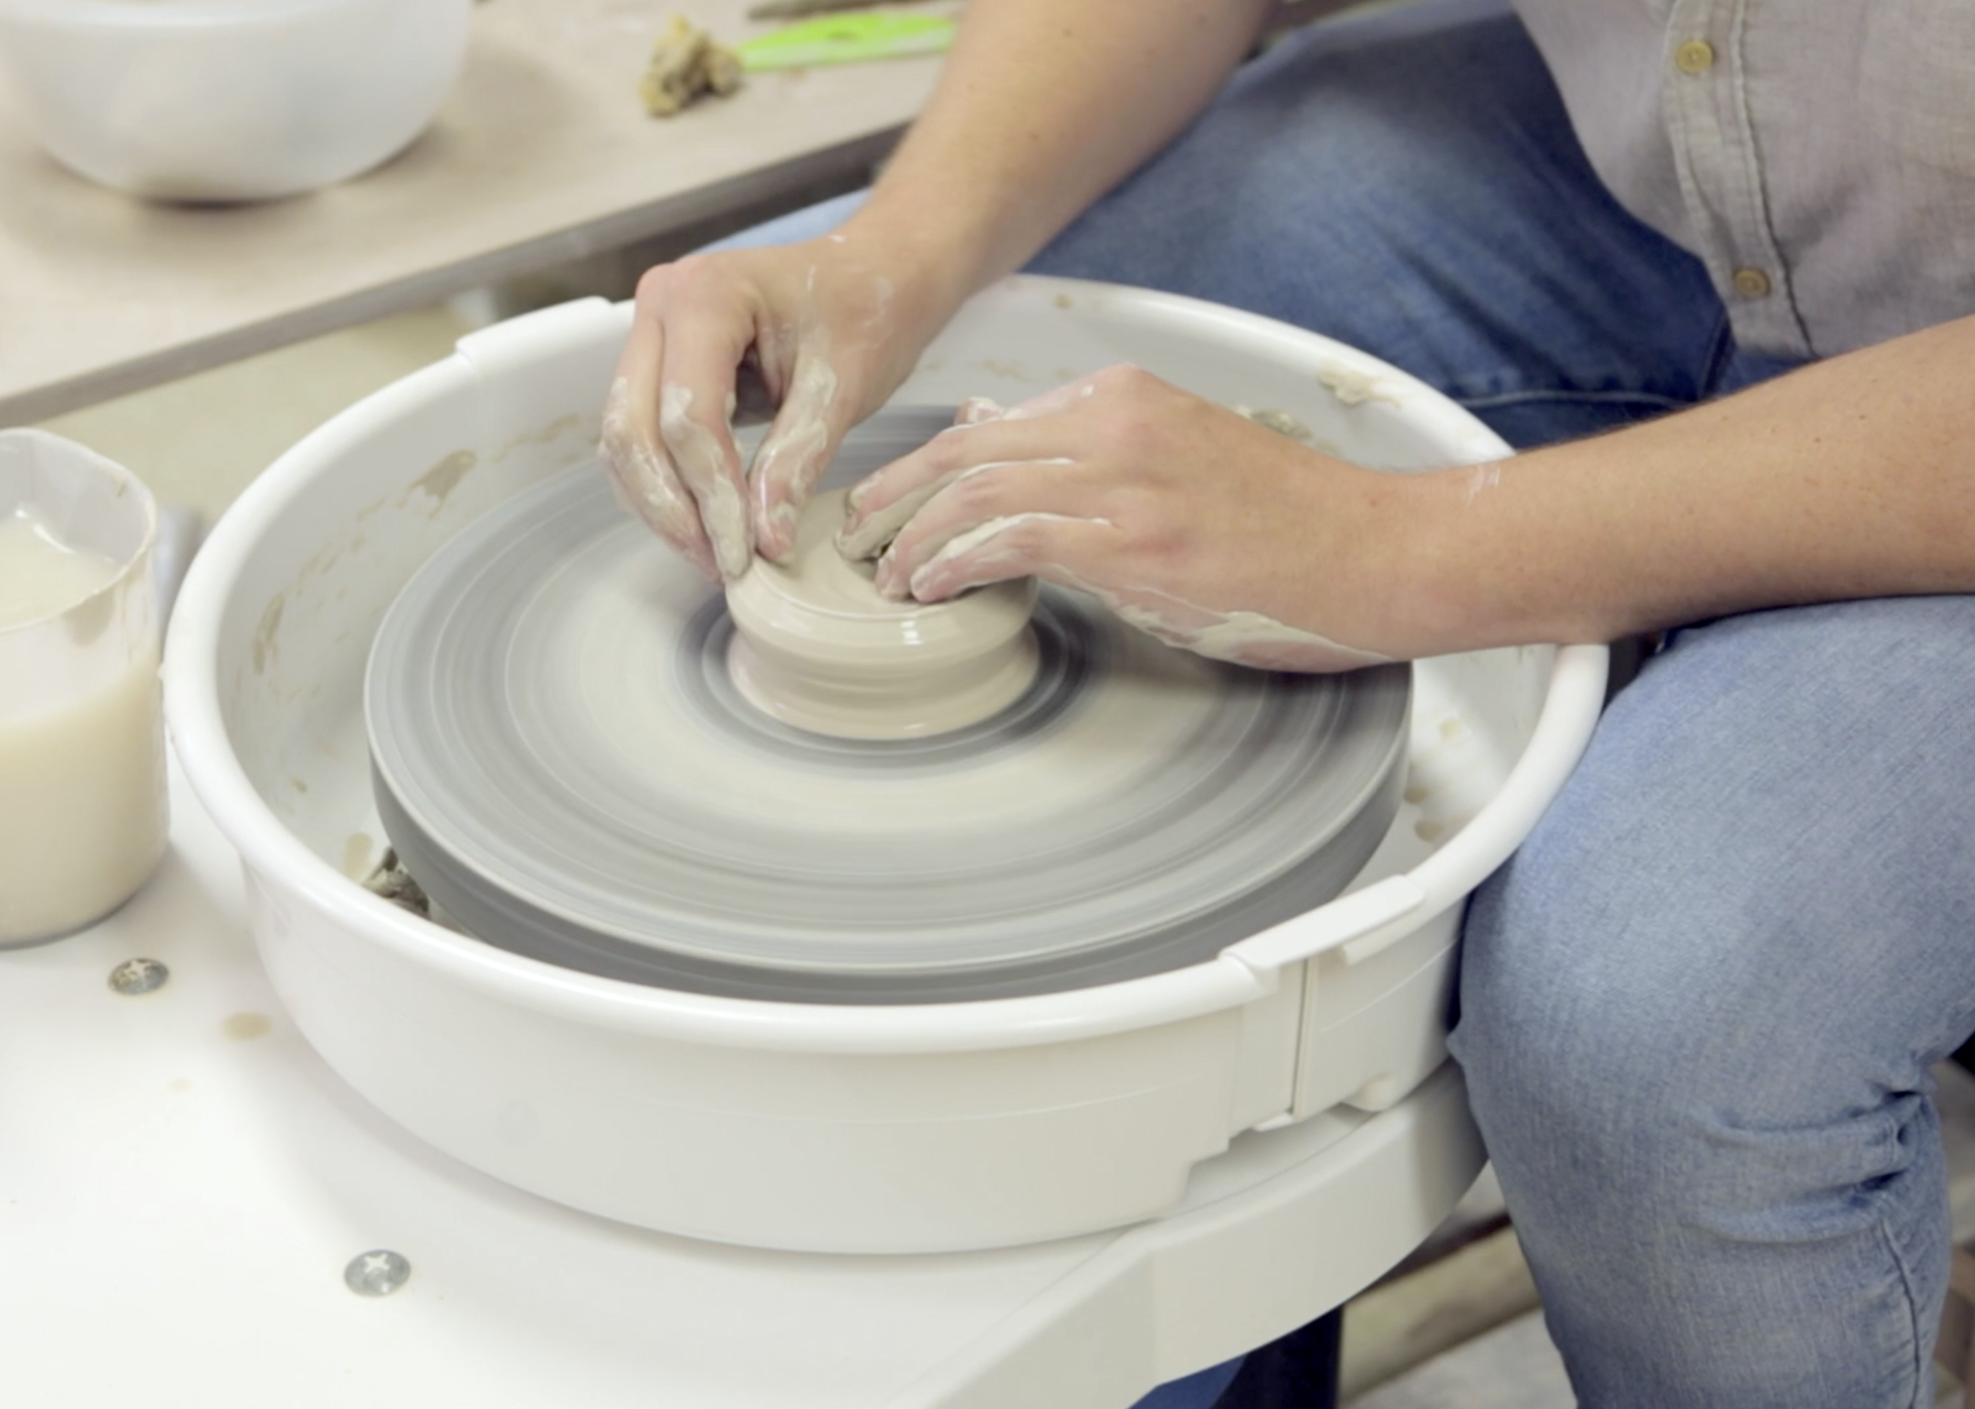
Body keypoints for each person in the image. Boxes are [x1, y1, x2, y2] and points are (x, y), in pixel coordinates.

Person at [595, 0, 1975, 1402]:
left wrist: (1403, 549)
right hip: (1633, 174)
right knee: (874, 343)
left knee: (1648, 1025)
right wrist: (891, 254)